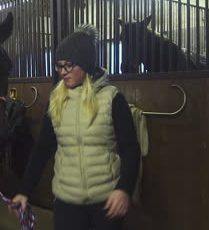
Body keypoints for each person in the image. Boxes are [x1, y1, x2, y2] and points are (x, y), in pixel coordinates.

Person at [8, 24, 140, 230]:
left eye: (68, 65)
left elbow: (130, 148)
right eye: (59, 66)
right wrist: (24, 191)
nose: (62, 72)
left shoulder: (112, 99)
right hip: (66, 201)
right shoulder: (56, 100)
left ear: (85, 64)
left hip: (106, 201)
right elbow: (42, 149)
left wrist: (124, 189)